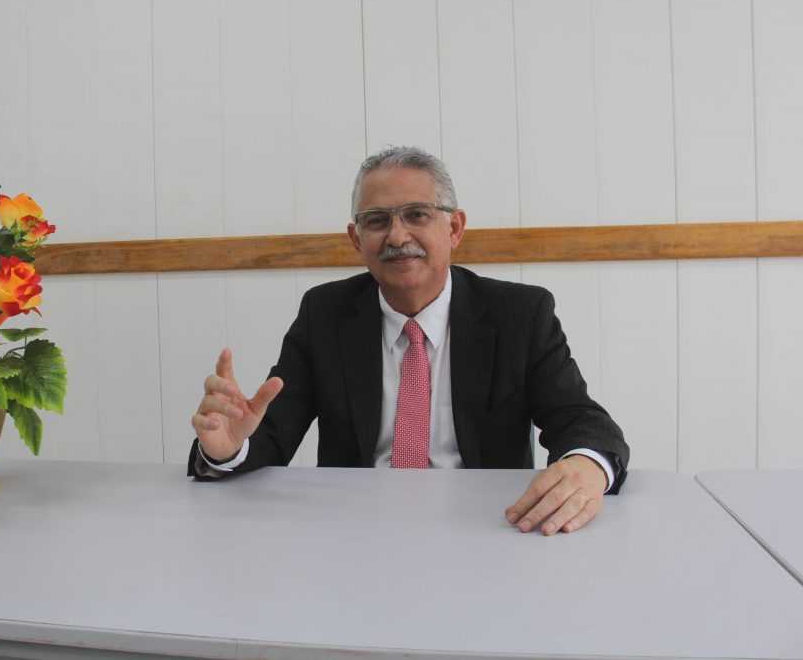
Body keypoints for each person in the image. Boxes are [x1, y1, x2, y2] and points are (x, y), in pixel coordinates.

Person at [188, 146, 630, 536]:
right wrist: (229, 448)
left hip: (488, 529)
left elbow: (581, 420)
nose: (397, 237)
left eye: (417, 215)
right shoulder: (325, 314)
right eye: (377, 221)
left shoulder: (519, 314)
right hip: (354, 533)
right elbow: (269, 434)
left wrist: (587, 466)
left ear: (454, 228)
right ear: (356, 238)